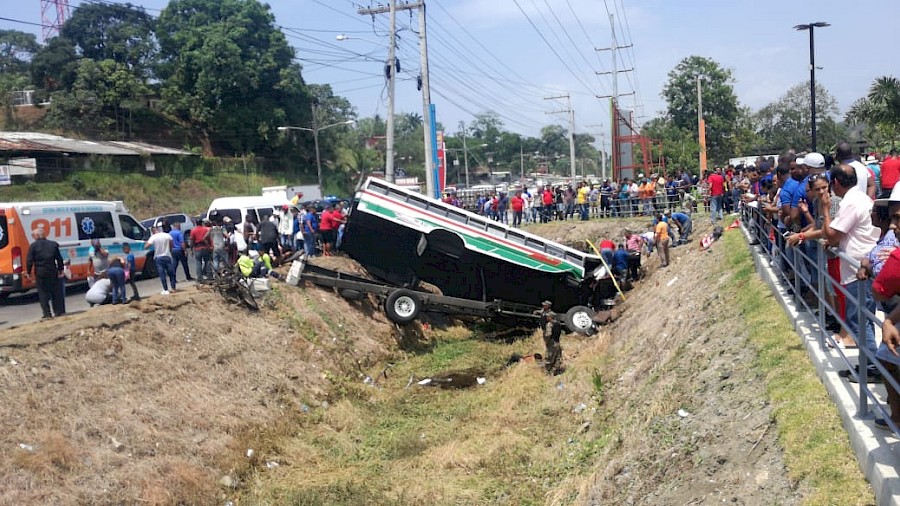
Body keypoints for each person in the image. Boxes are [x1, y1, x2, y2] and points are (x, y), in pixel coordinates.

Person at [822, 163, 881, 381]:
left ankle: (872, 370)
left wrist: (826, 210)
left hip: (858, 270)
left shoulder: (851, 203)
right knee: (862, 319)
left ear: (835, 183)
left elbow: (832, 235)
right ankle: (867, 366)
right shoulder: (862, 198)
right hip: (861, 266)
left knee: (860, 320)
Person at [25, 227, 65, 319]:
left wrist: (28, 272)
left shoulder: (33, 246)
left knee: (43, 293)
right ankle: (58, 311)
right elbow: (59, 258)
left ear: (38, 235)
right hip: (52, 270)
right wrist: (60, 269)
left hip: (40, 272)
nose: (33, 237)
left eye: (33, 235)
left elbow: (29, 261)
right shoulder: (53, 244)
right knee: (55, 292)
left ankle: (47, 314)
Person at [146, 225, 177, 294]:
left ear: (153, 231)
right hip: (167, 255)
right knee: (171, 273)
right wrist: (169, 250)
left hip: (158, 257)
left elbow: (146, 246)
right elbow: (172, 244)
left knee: (162, 274)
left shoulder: (153, 237)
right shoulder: (166, 235)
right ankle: (173, 288)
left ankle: (165, 289)